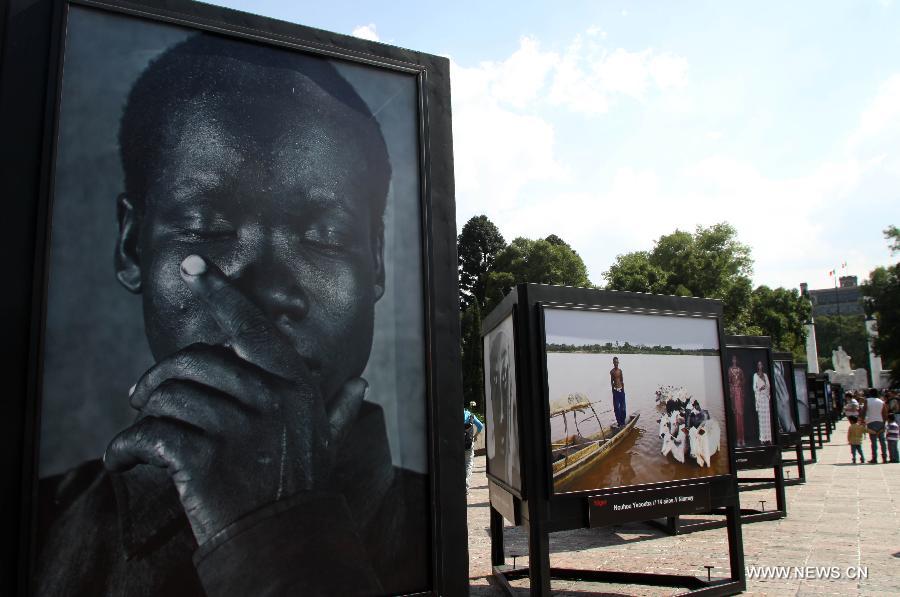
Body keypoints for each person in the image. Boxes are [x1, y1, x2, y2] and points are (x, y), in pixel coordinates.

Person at [34, 34, 428, 596]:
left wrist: (281, 542)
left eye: (324, 236)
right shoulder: (42, 528)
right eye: (206, 230)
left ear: (377, 261)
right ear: (131, 246)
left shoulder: (436, 520)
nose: (269, 294)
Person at [487, 328, 519, 489]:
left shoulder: (520, 473)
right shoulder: (494, 465)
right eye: (494, 379)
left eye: (505, 379)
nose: (500, 418)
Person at [860, 388, 888, 464]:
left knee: (873, 441)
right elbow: (885, 413)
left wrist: (862, 420)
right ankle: (884, 457)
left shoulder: (867, 401)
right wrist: (884, 423)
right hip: (880, 422)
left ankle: (874, 458)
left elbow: (864, 410)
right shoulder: (881, 402)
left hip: (871, 422)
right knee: (882, 441)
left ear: (870, 393)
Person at [463, 402, 484, 494]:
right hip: (468, 444)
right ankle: (465, 486)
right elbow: (480, 426)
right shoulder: (470, 415)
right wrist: (476, 435)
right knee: (468, 464)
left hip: (457, 445)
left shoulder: (453, 415)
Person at [752, 361, 773, 444]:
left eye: (761, 364)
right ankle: (762, 439)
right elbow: (754, 387)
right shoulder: (755, 375)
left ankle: (769, 438)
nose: (760, 366)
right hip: (760, 398)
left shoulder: (765, 375)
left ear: (762, 366)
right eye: (758, 364)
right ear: (757, 366)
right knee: (761, 419)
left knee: (767, 418)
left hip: (765, 398)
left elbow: (769, 385)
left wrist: (765, 388)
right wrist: (759, 389)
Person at [728, 355, 746, 447]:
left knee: (741, 416)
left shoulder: (740, 370)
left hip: (740, 393)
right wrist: (732, 390)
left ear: (737, 360)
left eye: (735, 359)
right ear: (732, 360)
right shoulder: (730, 370)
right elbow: (729, 382)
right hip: (734, 394)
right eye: (733, 359)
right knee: (736, 417)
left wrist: (740, 383)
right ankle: (738, 439)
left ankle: (742, 439)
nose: (734, 360)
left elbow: (743, 380)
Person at [609, 356, 627, 427]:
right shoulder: (612, 372)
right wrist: (613, 391)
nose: (616, 363)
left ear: (618, 363)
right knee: (617, 408)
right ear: (613, 363)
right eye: (615, 362)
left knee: (623, 407)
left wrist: (623, 390)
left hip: (621, 390)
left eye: (617, 362)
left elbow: (622, 381)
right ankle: (619, 422)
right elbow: (611, 382)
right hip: (615, 391)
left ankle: (623, 422)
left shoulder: (620, 371)